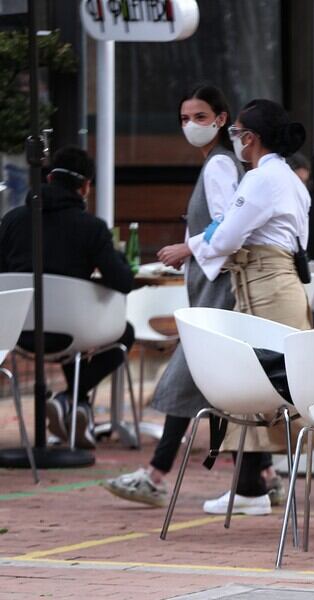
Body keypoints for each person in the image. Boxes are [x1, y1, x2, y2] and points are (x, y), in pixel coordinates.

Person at [190, 99, 314, 515]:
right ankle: (250, 487)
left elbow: (222, 241)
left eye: (236, 133)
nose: (233, 141)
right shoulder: (286, 178)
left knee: (288, 392)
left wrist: (199, 238)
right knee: (261, 390)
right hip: (270, 285)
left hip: (268, 287)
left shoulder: (261, 180)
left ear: (249, 138)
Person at [101, 84, 269, 508]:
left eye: (199, 117)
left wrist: (187, 246)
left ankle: (157, 475)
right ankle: (261, 475)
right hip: (214, 289)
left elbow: (226, 224)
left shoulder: (217, 166)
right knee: (224, 387)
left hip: (217, 291)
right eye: (184, 119)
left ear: (221, 119)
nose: (190, 126)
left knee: (189, 376)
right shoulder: (222, 163)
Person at [0, 146, 134, 449]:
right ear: (85, 187)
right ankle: (71, 401)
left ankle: (77, 408)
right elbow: (123, 281)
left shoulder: (12, 221)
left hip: (17, 332)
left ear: (49, 178)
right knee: (121, 334)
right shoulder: (92, 228)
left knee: (77, 342)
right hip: (72, 334)